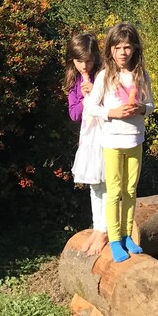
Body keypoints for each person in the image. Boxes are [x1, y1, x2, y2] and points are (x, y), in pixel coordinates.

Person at [84, 22, 154, 263]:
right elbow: (91, 107)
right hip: (112, 142)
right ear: (110, 50)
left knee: (130, 190)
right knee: (114, 191)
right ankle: (114, 239)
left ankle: (126, 236)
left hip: (135, 140)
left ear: (134, 49)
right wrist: (112, 113)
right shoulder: (105, 76)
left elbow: (151, 105)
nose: (123, 52)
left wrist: (142, 108)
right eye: (118, 47)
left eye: (127, 47)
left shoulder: (141, 75)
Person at [65, 32, 108, 256]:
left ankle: (107, 229)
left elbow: (113, 103)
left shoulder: (104, 75)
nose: (84, 65)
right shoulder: (74, 82)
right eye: (79, 60)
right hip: (89, 139)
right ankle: (97, 226)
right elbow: (74, 114)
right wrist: (84, 99)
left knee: (109, 183)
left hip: (107, 136)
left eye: (89, 60)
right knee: (94, 184)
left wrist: (95, 95)